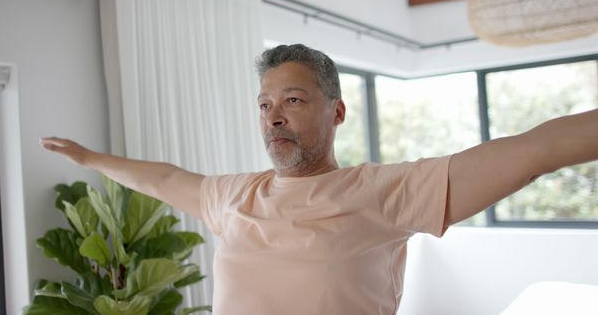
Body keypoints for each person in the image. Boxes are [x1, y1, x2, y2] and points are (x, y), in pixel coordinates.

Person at [41, 44, 598, 315]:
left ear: (336, 112)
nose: (273, 115)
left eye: (292, 100)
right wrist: (90, 158)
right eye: (264, 104)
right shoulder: (233, 195)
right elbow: (165, 177)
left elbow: (533, 151)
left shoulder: (384, 191)